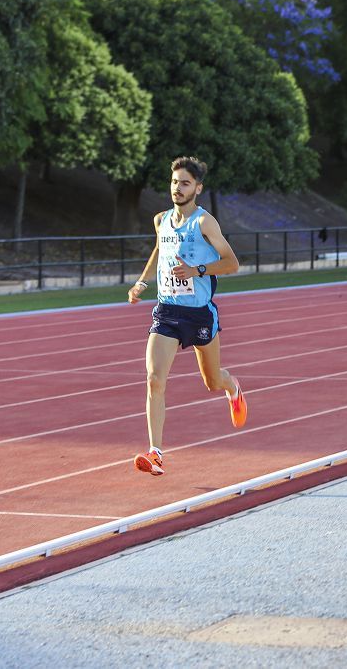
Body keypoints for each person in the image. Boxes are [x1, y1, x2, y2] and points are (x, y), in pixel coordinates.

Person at [127, 156, 247, 476]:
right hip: (167, 311)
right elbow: (159, 251)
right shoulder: (161, 220)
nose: (177, 188)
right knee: (154, 379)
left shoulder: (205, 223)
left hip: (199, 314)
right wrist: (142, 282)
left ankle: (232, 386)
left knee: (211, 381)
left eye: (184, 183)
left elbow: (232, 263)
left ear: (197, 188)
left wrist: (197, 270)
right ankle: (156, 453)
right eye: (174, 182)